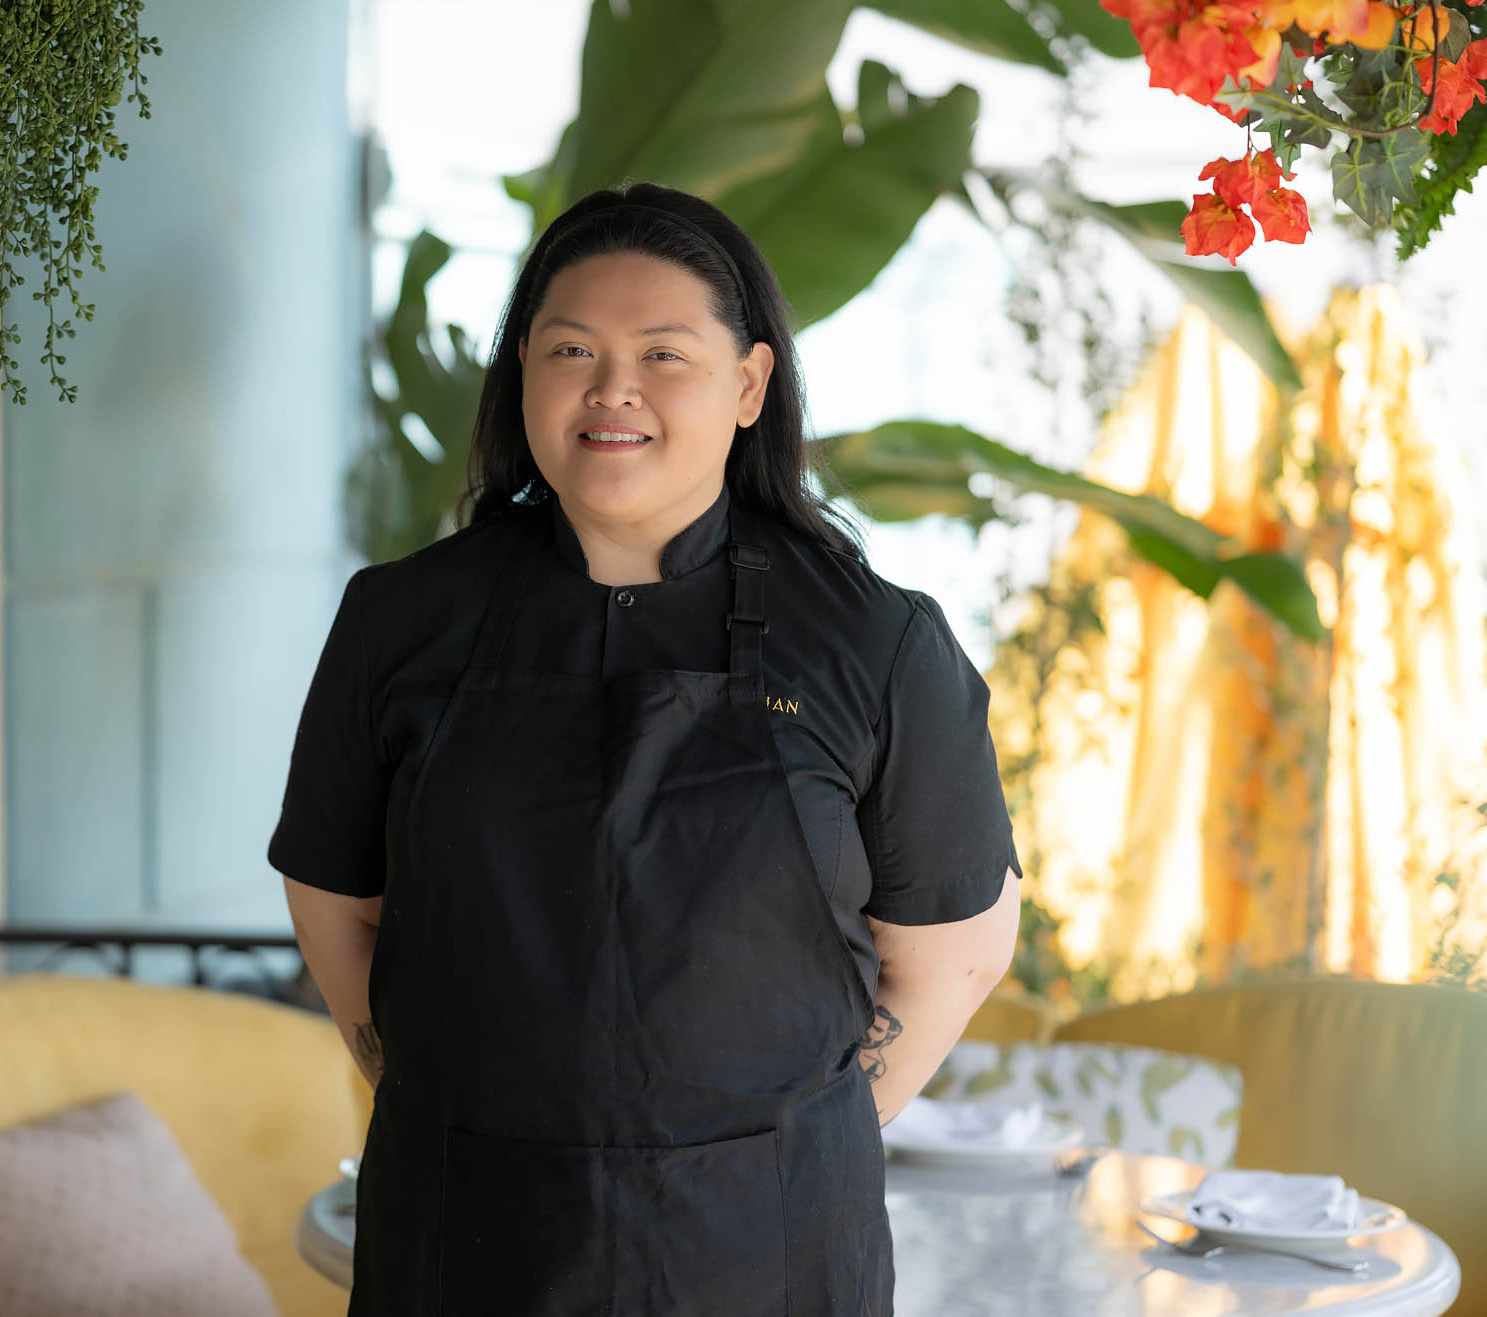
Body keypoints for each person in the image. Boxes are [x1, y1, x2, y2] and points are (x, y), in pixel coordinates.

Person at [271, 182, 1022, 1316]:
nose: (611, 387)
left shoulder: (873, 641)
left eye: (662, 354)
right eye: (571, 347)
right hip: (466, 1244)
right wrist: (459, 1114)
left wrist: (773, 1144)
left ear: (747, 385)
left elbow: (953, 953)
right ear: (523, 368)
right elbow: (337, 904)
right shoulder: (398, 621)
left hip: (764, 1258)